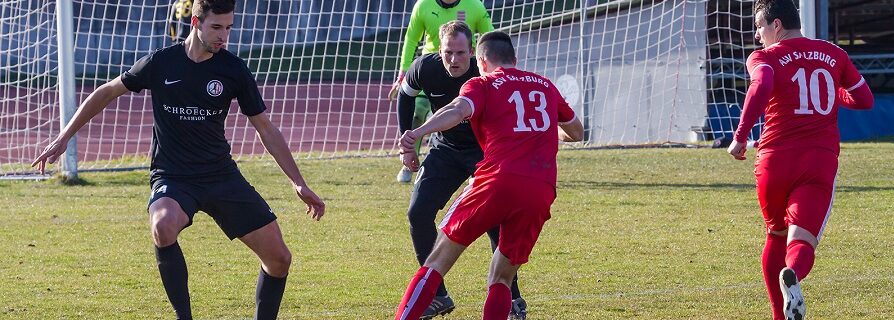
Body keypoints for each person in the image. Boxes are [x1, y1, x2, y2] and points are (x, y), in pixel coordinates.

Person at [31, 1, 326, 319]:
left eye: (229, 28)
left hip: (220, 175)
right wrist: (63, 138)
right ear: (196, 22)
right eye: (216, 27)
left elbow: (265, 128)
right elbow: (106, 92)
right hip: (173, 177)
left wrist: (298, 182)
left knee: (279, 259)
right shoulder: (161, 62)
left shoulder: (233, 70)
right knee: (163, 225)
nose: (223, 36)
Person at [394, 30, 584, 320]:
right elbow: (577, 132)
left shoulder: (482, 83)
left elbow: (457, 110)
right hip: (541, 190)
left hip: (497, 180)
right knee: (501, 279)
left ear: (480, 61)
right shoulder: (545, 85)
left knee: (436, 261)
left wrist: (419, 131)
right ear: (515, 59)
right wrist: (541, 132)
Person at [727, 1, 874, 319]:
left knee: (776, 235)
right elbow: (864, 99)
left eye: (759, 27)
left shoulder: (765, 57)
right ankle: (792, 274)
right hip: (818, 162)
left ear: (776, 25)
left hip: (773, 161)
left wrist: (740, 136)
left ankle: (779, 316)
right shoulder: (834, 54)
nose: (757, 35)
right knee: (801, 241)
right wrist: (836, 95)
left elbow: (762, 84)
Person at [397, 20, 527, 319]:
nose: (454, 60)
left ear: (472, 52)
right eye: (448, 53)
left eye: (460, 53)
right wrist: (406, 143)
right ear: (438, 50)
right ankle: (437, 296)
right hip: (446, 149)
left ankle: (513, 300)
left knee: (495, 222)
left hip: (486, 151)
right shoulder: (424, 67)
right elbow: (405, 95)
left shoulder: (487, 72)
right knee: (418, 213)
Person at [389, 0, 495, 183]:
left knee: (477, 119)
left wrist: (496, 67)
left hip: (468, 71)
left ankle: (484, 164)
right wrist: (404, 70)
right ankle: (409, 159)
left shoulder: (475, 5)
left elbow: (490, 37)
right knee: (417, 112)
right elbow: (411, 38)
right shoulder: (423, 5)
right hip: (432, 75)